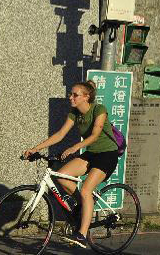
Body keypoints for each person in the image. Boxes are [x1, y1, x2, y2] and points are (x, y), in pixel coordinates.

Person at [23, 81, 123, 248]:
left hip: (107, 155)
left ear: (86, 97)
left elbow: (96, 134)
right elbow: (60, 134)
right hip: (91, 154)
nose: (71, 97)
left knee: (85, 189)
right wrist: (35, 148)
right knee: (62, 177)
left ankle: (82, 235)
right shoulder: (74, 113)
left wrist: (75, 147)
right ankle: (85, 204)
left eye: (75, 95)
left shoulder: (99, 109)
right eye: (71, 94)